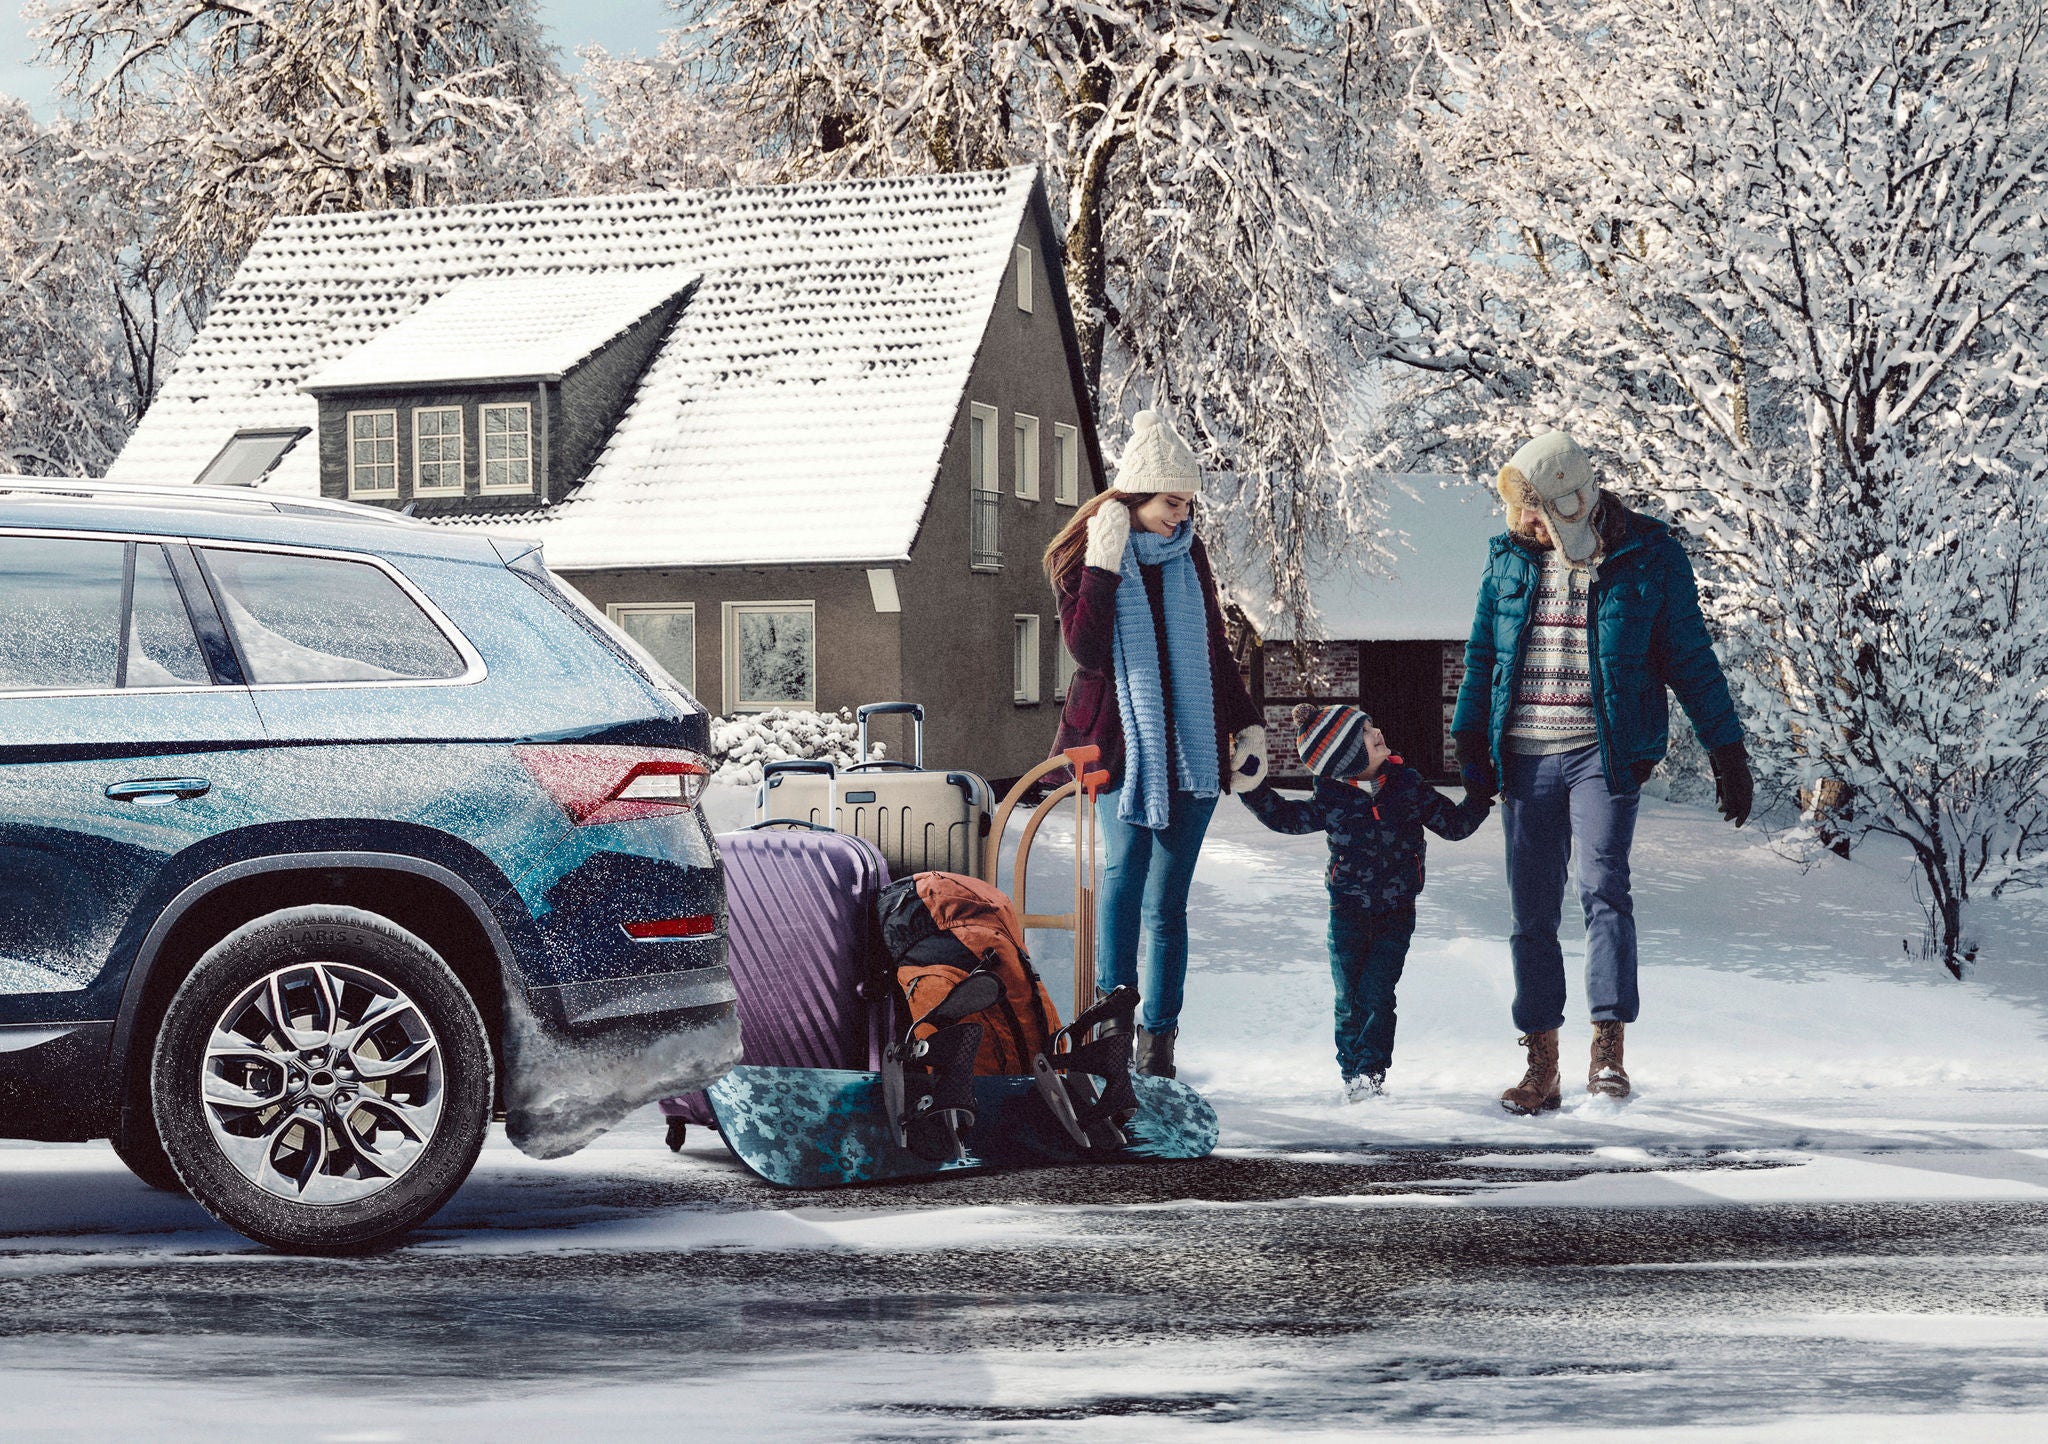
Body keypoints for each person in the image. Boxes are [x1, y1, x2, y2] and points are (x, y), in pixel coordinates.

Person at [1451, 431, 1752, 1114]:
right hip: (1526, 757)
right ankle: (1541, 1063)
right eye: (1521, 509)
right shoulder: (1508, 560)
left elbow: (1690, 655)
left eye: (1536, 508)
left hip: (1602, 751)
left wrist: (1725, 747)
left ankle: (1608, 1053)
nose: (1524, 521)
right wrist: (1470, 742)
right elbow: (1479, 658)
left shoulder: (1648, 555)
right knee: (1531, 912)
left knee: (1603, 890)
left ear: (1573, 500)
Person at [1043, 410, 1266, 1078]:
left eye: (1188, 503)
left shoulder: (1188, 553)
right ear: (1137, 497)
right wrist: (1105, 567)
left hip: (1191, 749)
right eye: (1172, 503)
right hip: (1119, 749)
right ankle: (1113, 1023)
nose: (1181, 515)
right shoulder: (1083, 556)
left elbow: (1211, 649)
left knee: (1167, 906)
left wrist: (1247, 721)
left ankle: (1159, 1041)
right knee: (1121, 879)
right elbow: (1086, 651)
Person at [1241, 704, 1493, 1101]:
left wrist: (1479, 794)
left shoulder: (1407, 784)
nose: (1377, 732)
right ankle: (1351, 1075)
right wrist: (1251, 788)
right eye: (1364, 733)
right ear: (1347, 758)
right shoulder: (1332, 796)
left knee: (1376, 994)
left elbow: (1454, 825)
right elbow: (1286, 818)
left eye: (1371, 726)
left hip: (1397, 910)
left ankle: (1371, 1075)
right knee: (1348, 997)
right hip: (1347, 909)